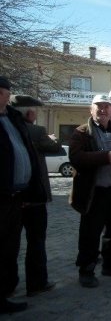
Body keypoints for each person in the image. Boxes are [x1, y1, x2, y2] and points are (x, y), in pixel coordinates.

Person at [69, 94, 111, 288]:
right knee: (90, 234)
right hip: (94, 193)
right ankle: (86, 270)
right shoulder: (81, 132)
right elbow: (76, 158)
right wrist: (105, 157)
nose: (103, 110)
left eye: (106, 106)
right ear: (91, 109)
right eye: (99, 106)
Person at [0, 77, 49, 314]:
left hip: (19, 195)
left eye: (2, 92)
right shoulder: (20, 122)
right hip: (3, 196)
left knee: (11, 246)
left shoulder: (13, 120)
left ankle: (7, 290)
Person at [13, 102, 61, 296]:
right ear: (31, 113)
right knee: (36, 241)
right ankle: (37, 282)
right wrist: (51, 138)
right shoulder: (36, 130)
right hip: (34, 196)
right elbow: (56, 148)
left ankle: (8, 284)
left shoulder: (8, 127)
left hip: (12, 197)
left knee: (10, 243)